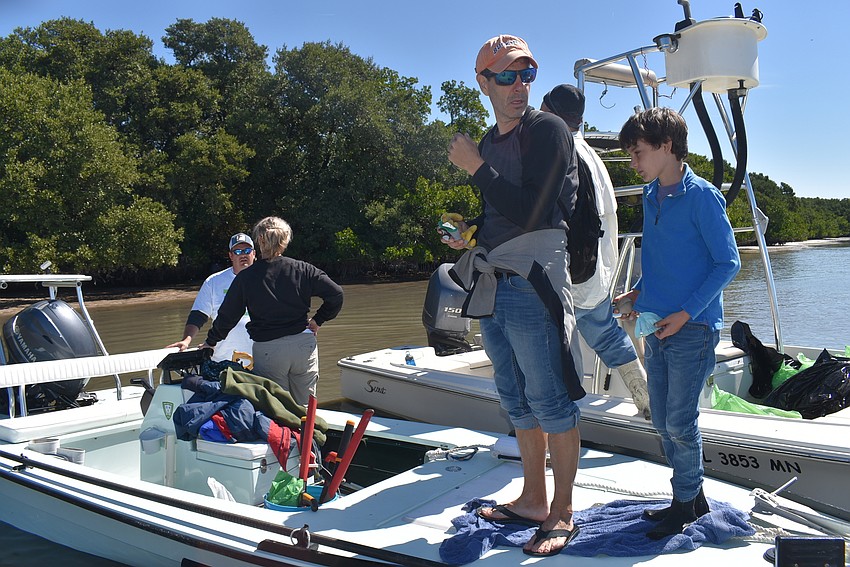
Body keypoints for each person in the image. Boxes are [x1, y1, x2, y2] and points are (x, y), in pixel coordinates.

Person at [444, 35, 583, 557]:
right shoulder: (490, 138)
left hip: (535, 280)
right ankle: (531, 499)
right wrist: (469, 236)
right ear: (483, 81)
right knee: (516, 397)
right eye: (506, 75)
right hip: (496, 280)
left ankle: (562, 511)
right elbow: (503, 214)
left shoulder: (546, 129)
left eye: (526, 74)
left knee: (550, 398)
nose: (520, 85)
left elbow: (535, 210)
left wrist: (476, 167)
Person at [615, 107, 740, 539]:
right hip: (656, 325)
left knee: (679, 423)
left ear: (667, 147)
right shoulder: (652, 196)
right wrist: (636, 292)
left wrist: (686, 313)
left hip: (694, 328)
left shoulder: (702, 196)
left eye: (638, 153)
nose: (634, 163)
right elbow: (663, 261)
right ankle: (693, 497)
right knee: (662, 419)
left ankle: (684, 504)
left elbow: (728, 262)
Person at [541, 84, 651, 419]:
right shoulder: (592, 154)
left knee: (560, 344)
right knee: (607, 337)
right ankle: (645, 395)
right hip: (602, 273)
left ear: (547, 109)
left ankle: (566, 421)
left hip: (573, 275)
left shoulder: (556, 149)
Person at [202, 216, 344, 405]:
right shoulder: (303, 269)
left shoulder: (246, 278)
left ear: (259, 241)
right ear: (284, 241)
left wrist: (210, 342)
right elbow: (336, 295)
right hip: (303, 345)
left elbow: (227, 317)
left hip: (269, 350)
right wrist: (318, 320)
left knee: (277, 409)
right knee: (306, 408)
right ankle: (308, 434)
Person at [168, 233, 255, 363]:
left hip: (261, 359)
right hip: (224, 360)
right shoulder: (214, 282)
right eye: (237, 251)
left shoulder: (266, 279)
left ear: (254, 254)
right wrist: (187, 339)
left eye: (247, 251)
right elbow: (199, 314)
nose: (243, 255)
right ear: (231, 256)